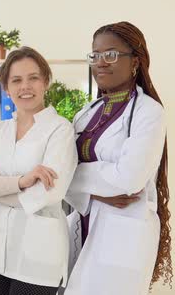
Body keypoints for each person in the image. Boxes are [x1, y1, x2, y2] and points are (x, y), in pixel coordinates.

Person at [63, 21, 172, 294]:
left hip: (123, 237)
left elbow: (129, 178)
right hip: (84, 225)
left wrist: (80, 179)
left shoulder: (149, 113)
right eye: (95, 55)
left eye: (110, 54)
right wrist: (97, 192)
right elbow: (59, 175)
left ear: (135, 61)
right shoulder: (86, 113)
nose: (101, 62)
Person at [0, 46, 77, 295]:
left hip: (38, 252)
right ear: (7, 89)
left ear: (46, 82)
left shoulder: (60, 130)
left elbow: (49, 194)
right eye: (16, 80)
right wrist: (23, 181)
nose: (25, 87)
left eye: (33, 78)